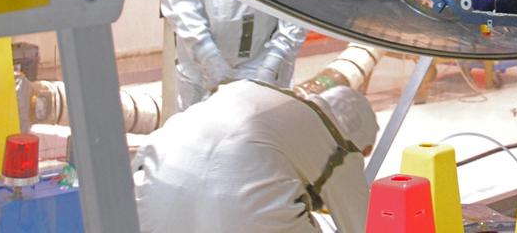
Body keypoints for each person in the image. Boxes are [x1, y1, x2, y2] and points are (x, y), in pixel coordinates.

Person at [133, 81, 376, 233]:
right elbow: (362, 224)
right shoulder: (338, 144)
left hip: (144, 206)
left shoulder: (246, 89)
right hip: (236, 217)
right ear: (358, 142)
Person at [152, 0, 309, 109]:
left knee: (267, 127)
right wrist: (206, 53)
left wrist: (277, 57)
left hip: (265, 58)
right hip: (202, 67)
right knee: (201, 128)